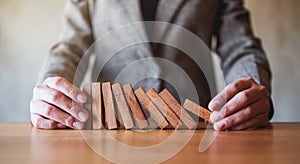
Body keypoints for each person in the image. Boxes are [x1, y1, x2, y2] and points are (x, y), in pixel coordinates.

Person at [30, 0, 274, 131]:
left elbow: (240, 47)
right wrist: (52, 88)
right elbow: (69, 47)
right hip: (111, 130)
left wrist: (252, 90)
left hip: (193, 130)